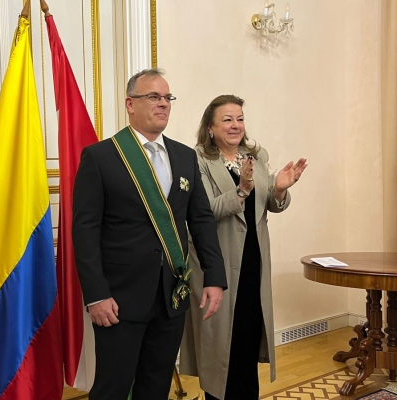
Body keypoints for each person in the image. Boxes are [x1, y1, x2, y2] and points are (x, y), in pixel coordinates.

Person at [72, 69, 228, 400]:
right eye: (153, 97)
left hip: (172, 294)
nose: (163, 104)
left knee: (155, 385)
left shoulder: (186, 156)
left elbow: (200, 221)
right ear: (130, 104)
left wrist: (214, 277)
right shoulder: (101, 157)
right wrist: (96, 294)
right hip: (119, 299)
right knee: (112, 388)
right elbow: (85, 231)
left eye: (167, 98)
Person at [179, 95, 308, 400]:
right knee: (222, 347)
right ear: (210, 128)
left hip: (254, 263)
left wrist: (278, 189)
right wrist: (240, 191)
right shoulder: (197, 160)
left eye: (239, 118)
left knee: (248, 341)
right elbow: (202, 211)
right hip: (216, 267)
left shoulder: (257, 156)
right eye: (227, 119)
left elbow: (268, 206)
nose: (235, 125)